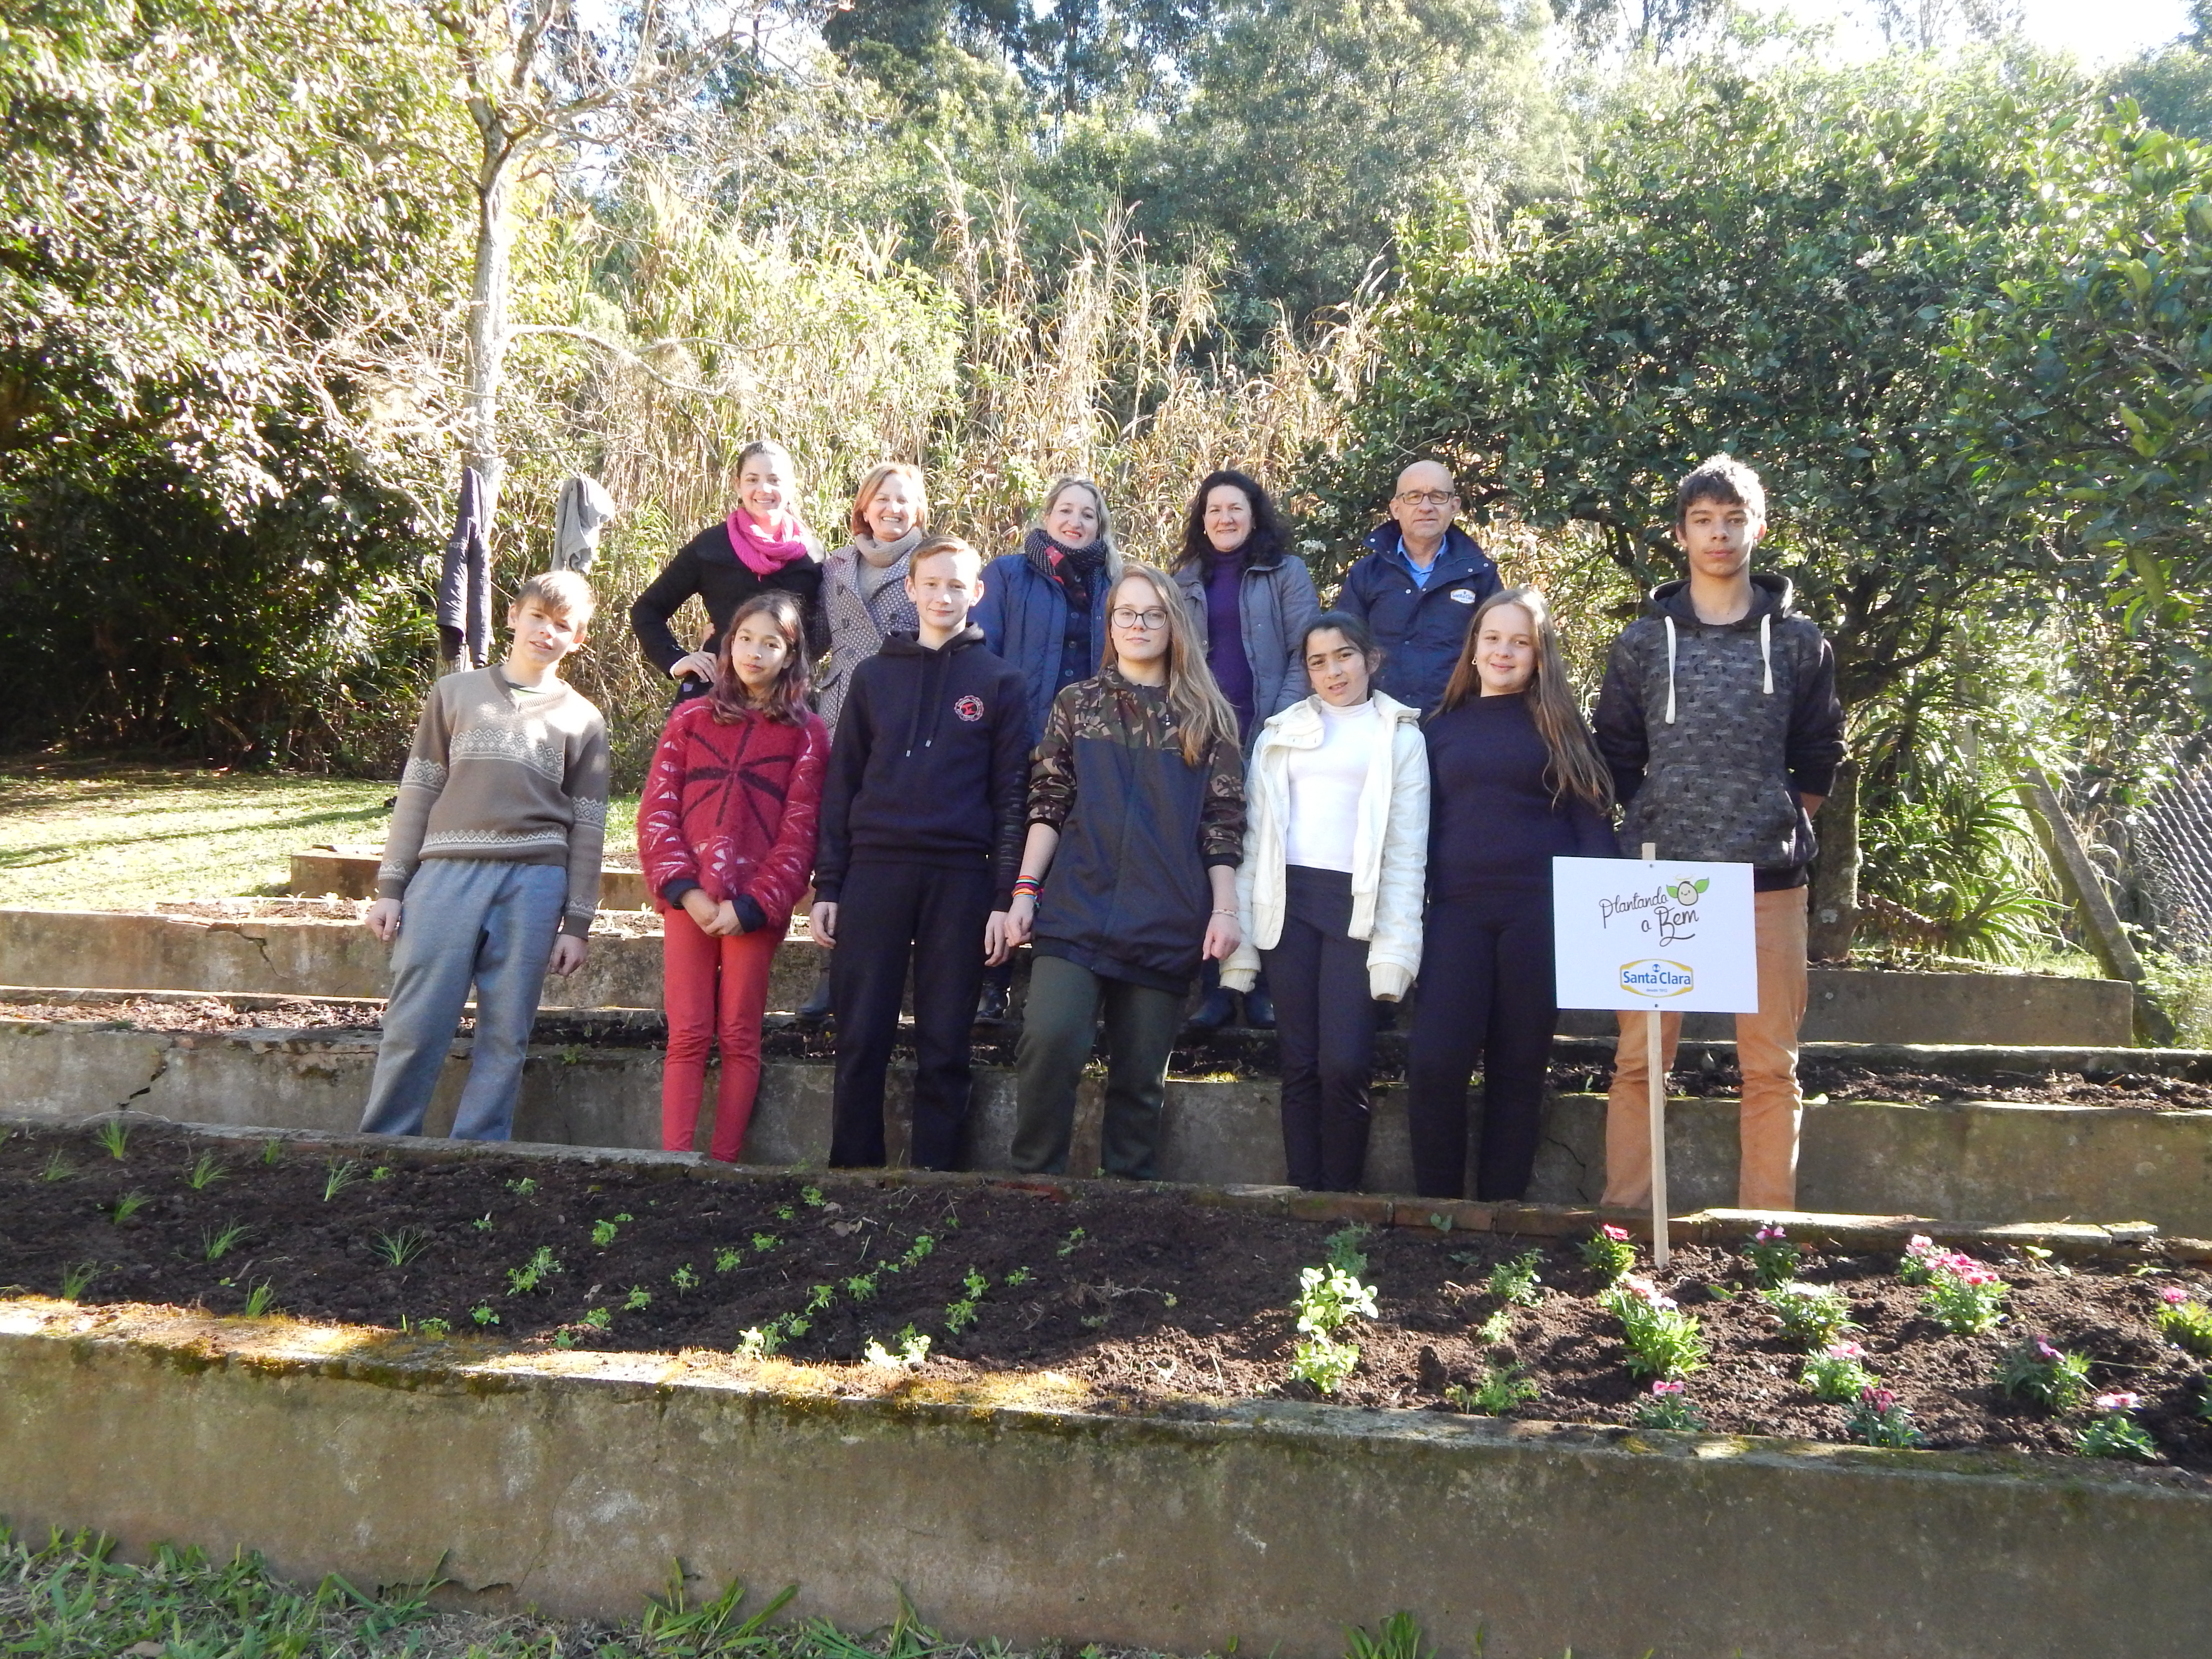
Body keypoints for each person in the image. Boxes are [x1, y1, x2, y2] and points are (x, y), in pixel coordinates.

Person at [1592, 453, 1846, 1214]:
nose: (1720, 534)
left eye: (1734, 520)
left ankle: (1765, 1234)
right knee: (1639, 1065)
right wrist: (1658, 821)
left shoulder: (1800, 643)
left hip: (1767, 883)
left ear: (1757, 529)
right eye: (1704, 520)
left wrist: (1779, 821)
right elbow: (1615, 755)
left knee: (1771, 1068)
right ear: (1680, 533)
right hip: (1657, 886)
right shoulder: (1641, 643)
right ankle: (1627, 1223)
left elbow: (1819, 756)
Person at [1005, 565, 1247, 1180]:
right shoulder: (1077, 704)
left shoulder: (1207, 718)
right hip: (1076, 907)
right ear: (1110, 625)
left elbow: (1222, 822)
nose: (1138, 625)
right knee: (1051, 1042)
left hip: (1166, 916)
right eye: (1126, 614)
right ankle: (1035, 1186)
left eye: (1153, 614)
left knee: (1140, 1079)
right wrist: (1025, 891)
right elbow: (1048, 802)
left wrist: (1224, 909)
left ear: (1175, 625)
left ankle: (1126, 1203)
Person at [359, 571, 610, 1140]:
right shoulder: (455, 694)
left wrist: (577, 923)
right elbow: (418, 790)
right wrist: (391, 888)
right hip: (446, 875)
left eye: (563, 625)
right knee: (415, 1020)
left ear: (579, 639)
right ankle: (384, 1143)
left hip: (535, 882)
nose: (547, 632)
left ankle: (480, 1149)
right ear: (514, 616)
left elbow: (589, 827)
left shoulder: (585, 720)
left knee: (506, 1031)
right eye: (538, 617)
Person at [811, 536, 1030, 1170]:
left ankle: (938, 1174)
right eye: (931, 583)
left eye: (957, 585)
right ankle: (853, 1165)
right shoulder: (875, 677)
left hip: (960, 877)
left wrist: (1001, 896)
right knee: (861, 1034)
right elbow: (842, 784)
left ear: (976, 594)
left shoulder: (1000, 683)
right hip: (876, 869)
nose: (943, 596)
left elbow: (1011, 796)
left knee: (945, 1039)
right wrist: (830, 885)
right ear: (910, 588)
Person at [1405, 587, 1617, 1201]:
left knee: (1518, 1070)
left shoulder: (1562, 728)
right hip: (1455, 917)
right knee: (1436, 1063)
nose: (1504, 651)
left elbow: (1593, 827)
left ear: (1539, 654)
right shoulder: (1436, 730)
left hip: (1540, 917)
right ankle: (1437, 1209)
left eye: (1520, 642)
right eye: (1493, 638)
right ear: (1473, 648)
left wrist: (1596, 928)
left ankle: (1503, 1211)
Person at [1220, 613, 1428, 1191]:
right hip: (1287, 904)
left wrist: (1398, 941)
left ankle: (1341, 1196)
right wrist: (1239, 921)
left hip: (1355, 908)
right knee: (1300, 1062)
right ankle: (1303, 1192)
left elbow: (1408, 852)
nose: (1333, 671)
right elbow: (1255, 840)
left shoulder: (1401, 738)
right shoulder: (1279, 734)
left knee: (1345, 1063)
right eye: (1318, 661)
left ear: (1370, 659)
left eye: (1344, 656)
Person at [636, 592, 829, 1162]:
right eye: (745, 638)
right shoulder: (690, 718)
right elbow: (658, 810)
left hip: (753, 908)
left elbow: (801, 831)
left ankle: (723, 1164)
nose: (754, 651)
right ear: (729, 642)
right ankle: (675, 1159)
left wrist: (753, 905)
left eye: (770, 642)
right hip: (687, 901)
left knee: (741, 1036)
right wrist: (685, 891)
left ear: (790, 653)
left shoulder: (808, 733)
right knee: (689, 1033)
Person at [1170, 468, 1321, 1032]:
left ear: (1254, 515)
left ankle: (1261, 990)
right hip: (1199, 738)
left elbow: (1304, 655)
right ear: (1201, 520)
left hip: (1272, 738)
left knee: (1267, 861)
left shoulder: (1286, 574)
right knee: (1214, 857)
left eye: (1235, 508)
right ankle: (1215, 987)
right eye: (1213, 510)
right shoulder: (1183, 580)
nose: (1224, 519)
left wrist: (1268, 733)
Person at [970, 476, 1120, 1020]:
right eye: (1066, 511)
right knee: (1009, 858)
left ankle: (1073, 988)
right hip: (1020, 738)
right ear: (1047, 516)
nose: (1075, 522)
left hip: (1094, 746)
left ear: (1100, 526)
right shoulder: (1008, 574)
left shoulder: (1117, 582)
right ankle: (994, 980)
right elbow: (983, 655)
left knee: (1080, 857)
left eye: (1088, 515)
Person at [794, 461, 927, 1026]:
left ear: (918, 509)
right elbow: (815, 639)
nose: (892, 510)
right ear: (864, 507)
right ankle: (833, 972)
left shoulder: (932, 562)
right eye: (882, 500)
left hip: (907, 712)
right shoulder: (835, 566)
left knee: (890, 838)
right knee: (839, 831)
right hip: (840, 704)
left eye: (903, 500)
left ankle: (895, 973)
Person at [630, 439, 825, 701]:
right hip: (715, 695)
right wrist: (677, 660)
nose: (763, 489)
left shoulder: (812, 554)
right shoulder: (711, 547)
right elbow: (647, 609)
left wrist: (796, 665)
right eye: (752, 479)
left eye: (774, 480)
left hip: (786, 702)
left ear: (791, 486)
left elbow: (823, 628)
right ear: (737, 485)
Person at [1336, 458, 1503, 717]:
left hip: (1458, 721)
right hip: (1381, 722)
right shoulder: (1366, 574)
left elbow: (1498, 653)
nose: (1426, 507)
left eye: (1437, 496)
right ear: (1396, 508)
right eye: (1414, 497)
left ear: (1454, 506)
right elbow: (1344, 651)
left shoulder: (1480, 575)